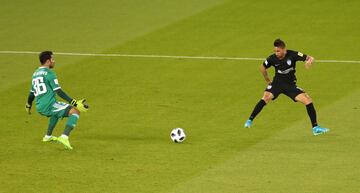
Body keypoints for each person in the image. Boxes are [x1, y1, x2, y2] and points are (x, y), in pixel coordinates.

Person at [244, 39, 329, 135]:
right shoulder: (272, 58)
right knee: (266, 97)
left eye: (278, 51)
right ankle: (249, 120)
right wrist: (267, 80)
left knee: (308, 100)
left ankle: (315, 128)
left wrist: (309, 61)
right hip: (277, 84)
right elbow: (262, 67)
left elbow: (310, 57)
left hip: (290, 85)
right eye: (275, 51)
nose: (276, 53)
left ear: (284, 49)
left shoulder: (293, 54)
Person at [26, 51, 88, 149]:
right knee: (75, 111)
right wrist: (74, 102)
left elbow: (31, 93)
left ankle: (48, 136)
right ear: (47, 61)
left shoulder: (35, 74)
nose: (54, 61)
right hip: (49, 105)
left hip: (40, 106)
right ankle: (64, 137)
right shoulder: (49, 73)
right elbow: (58, 91)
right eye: (52, 59)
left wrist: (28, 105)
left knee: (56, 113)